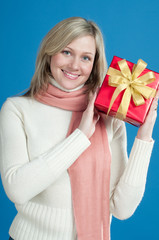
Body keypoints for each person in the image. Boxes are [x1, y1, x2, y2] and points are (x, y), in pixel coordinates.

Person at [0, 17, 158, 240]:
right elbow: (17, 190)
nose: (75, 65)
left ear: (94, 64)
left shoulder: (109, 119)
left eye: (86, 57)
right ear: (50, 52)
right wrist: (81, 136)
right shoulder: (17, 110)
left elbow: (122, 209)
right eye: (66, 52)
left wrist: (144, 136)